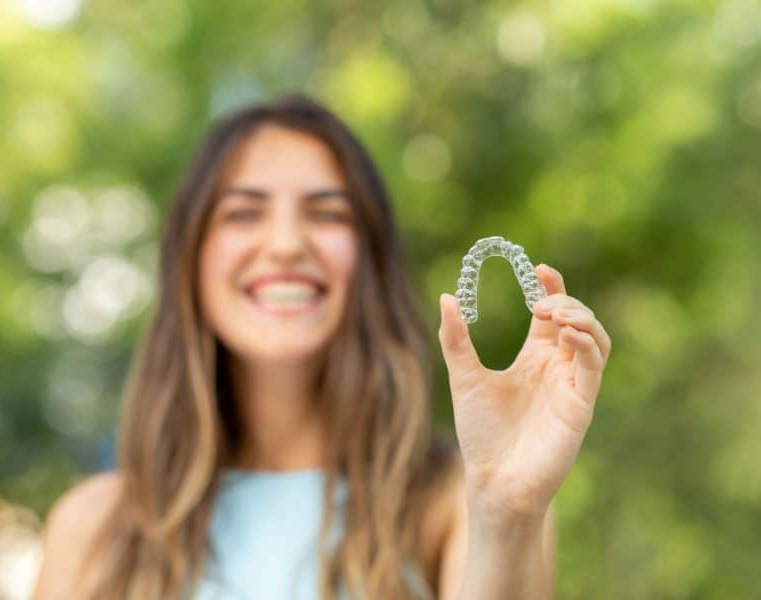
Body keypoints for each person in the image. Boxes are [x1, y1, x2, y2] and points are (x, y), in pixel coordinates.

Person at [33, 94, 611, 599]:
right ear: (191, 259)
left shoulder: (460, 506)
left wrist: (506, 517)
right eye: (243, 212)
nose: (286, 244)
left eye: (326, 212)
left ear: (369, 262)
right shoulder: (91, 528)